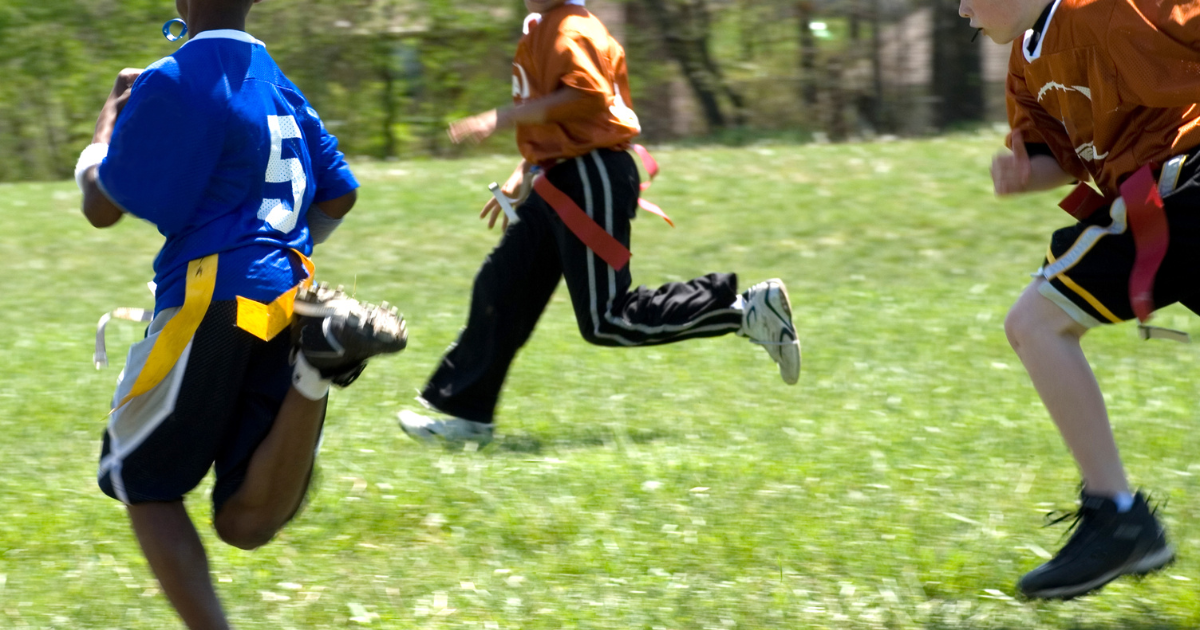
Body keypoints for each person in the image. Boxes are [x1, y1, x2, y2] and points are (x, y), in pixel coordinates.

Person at [75, 1, 407, 627]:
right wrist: (275, 259)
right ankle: (316, 364)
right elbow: (341, 191)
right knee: (246, 523)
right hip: (288, 298)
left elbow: (101, 206)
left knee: (140, 478)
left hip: (207, 295)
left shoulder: (172, 76)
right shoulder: (274, 76)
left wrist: (106, 127)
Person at [397, 0, 800, 446]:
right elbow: (563, 118)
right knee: (501, 286)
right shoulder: (544, 27)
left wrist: (501, 117)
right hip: (560, 178)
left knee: (607, 319)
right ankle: (466, 416)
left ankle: (745, 311)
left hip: (590, 178)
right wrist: (526, 169)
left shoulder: (568, 28)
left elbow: (587, 96)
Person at [959, 0, 1200, 600]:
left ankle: (1119, 517)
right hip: (1160, 202)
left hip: (1184, 185)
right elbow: (1056, 156)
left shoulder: (1112, 8)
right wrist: (1025, 175)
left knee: (1036, 323)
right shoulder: (1026, 59)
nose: (961, 9)